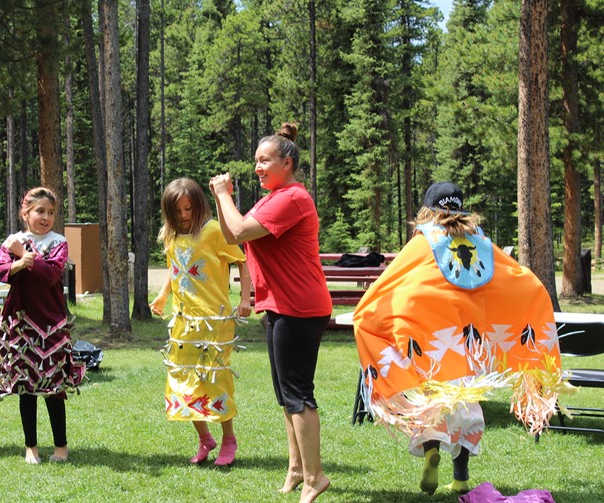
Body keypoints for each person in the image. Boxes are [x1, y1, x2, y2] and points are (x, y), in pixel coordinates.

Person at [353, 182, 569, 495]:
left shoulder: (423, 240)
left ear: (428, 209)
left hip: (429, 341)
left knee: (434, 401)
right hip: (467, 341)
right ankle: (462, 476)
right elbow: (514, 276)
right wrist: (533, 297)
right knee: (467, 402)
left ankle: (431, 451)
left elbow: (391, 281)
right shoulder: (479, 240)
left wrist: (368, 309)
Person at [210, 123, 332, 503]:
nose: (258, 167)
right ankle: (297, 468)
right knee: (285, 396)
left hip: (299, 307)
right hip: (280, 306)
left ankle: (316, 477)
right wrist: (221, 198)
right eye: (256, 161)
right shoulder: (271, 196)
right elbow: (232, 235)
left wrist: (222, 193)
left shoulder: (292, 198)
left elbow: (241, 230)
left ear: (288, 162)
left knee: (298, 395)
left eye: (265, 161)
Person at [149, 178, 252, 467]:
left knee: (214, 379)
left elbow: (243, 262)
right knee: (182, 379)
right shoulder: (170, 235)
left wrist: (246, 299)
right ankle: (205, 438)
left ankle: (229, 440)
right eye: (178, 210)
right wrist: (161, 297)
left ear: (199, 206)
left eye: (189, 209)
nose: (184, 215)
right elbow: (175, 268)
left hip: (214, 321)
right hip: (183, 322)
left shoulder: (213, 231)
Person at [0, 187, 85, 464]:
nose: (45, 217)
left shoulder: (58, 243)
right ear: (25, 213)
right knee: (25, 386)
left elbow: (51, 274)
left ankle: (61, 446)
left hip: (51, 324)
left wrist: (26, 256)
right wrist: (20, 262)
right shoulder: (14, 240)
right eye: (39, 211)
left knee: (54, 386)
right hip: (20, 324)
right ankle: (30, 446)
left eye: (50, 212)